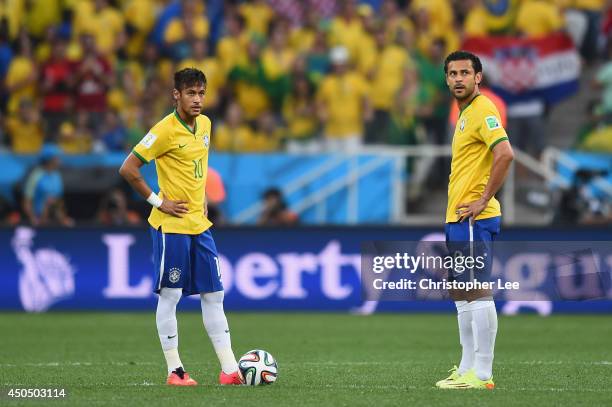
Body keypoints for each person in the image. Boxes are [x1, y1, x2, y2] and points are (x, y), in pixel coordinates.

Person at [118, 68, 242, 387]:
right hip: (170, 226)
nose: (197, 99)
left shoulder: (205, 125)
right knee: (171, 295)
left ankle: (230, 370)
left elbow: (196, 166)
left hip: (200, 225)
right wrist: (160, 202)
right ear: (177, 95)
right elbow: (128, 168)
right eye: (191, 93)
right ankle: (175, 371)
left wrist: (199, 198)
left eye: (201, 93)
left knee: (214, 294)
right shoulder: (163, 130)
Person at [436, 51, 514, 390]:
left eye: (465, 72)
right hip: (458, 217)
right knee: (461, 291)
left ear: (478, 77)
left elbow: (505, 153)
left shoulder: (483, 110)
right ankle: (466, 368)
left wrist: (483, 199)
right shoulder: (464, 114)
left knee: (476, 290)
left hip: (473, 218)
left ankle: (482, 374)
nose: (458, 78)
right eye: (452, 73)